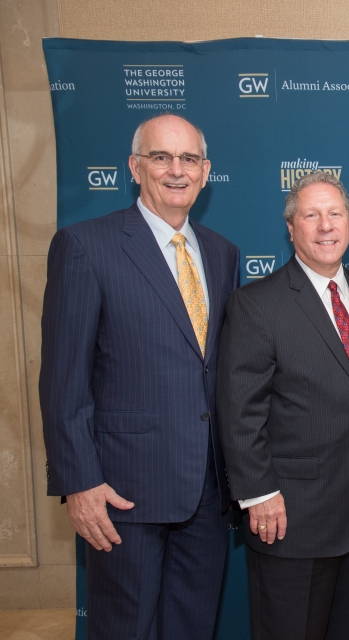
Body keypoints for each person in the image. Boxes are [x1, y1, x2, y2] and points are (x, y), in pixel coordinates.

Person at [39, 114, 239, 639]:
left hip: (207, 490)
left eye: (189, 159)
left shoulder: (222, 253)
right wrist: (79, 483)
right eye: (161, 157)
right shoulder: (85, 245)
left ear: (206, 170)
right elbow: (62, 380)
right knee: (124, 629)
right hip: (121, 492)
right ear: (134, 166)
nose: (177, 170)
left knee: (192, 627)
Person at [216, 171, 349, 640]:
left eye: (335, 214)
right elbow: (240, 408)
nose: (326, 226)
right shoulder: (256, 304)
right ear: (291, 228)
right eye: (311, 215)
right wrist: (259, 493)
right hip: (291, 515)